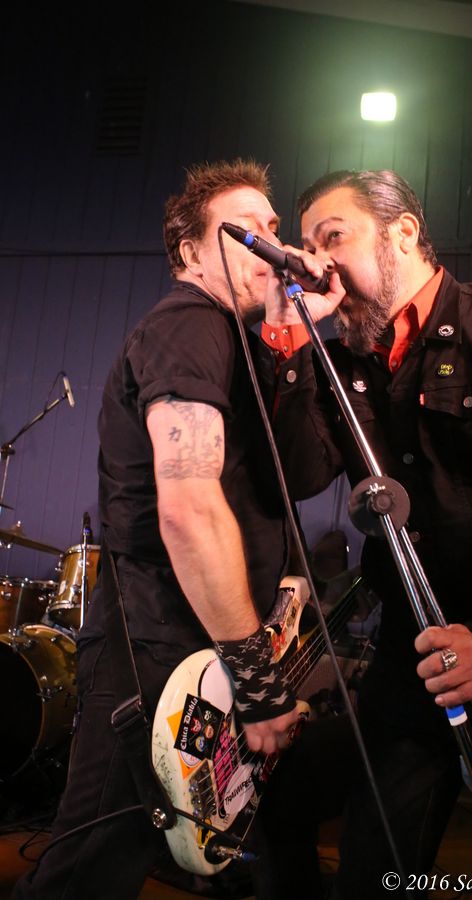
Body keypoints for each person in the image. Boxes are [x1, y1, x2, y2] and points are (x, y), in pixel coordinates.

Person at [262, 168, 472, 898]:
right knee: (376, 867)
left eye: (333, 237)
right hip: (411, 657)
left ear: (404, 233)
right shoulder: (334, 362)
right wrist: (287, 337)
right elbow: (298, 473)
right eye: (308, 247)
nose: (318, 263)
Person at [11, 158, 316, 900]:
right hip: (158, 651)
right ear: (189, 251)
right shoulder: (189, 323)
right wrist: (257, 679)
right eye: (245, 231)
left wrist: (290, 334)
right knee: (89, 868)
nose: (272, 245)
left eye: (274, 227)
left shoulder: (238, 340)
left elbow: (292, 479)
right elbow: (188, 508)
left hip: (207, 648)